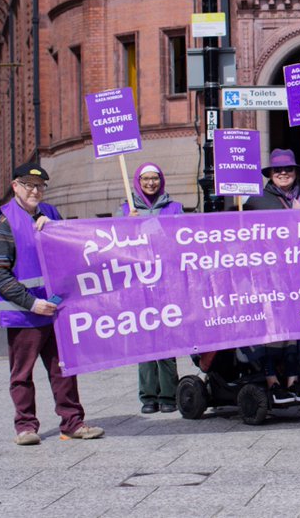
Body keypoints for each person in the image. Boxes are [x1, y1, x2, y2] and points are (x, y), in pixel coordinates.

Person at [0, 163, 104, 445]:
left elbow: (74, 251)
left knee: (64, 369)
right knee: (22, 374)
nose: (35, 191)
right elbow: (0, 275)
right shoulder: (3, 222)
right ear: (15, 186)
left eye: (40, 186)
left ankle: (73, 422)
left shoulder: (51, 213)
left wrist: (56, 229)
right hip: (25, 316)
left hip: (56, 311)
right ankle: (25, 427)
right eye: (29, 185)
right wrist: (32, 303)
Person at [245, 149, 300, 404]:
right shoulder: (257, 201)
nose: (282, 173)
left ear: (297, 173)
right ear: (270, 174)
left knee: (298, 328)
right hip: (269, 275)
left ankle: (294, 379)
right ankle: (272, 382)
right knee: (273, 329)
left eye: (288, 169)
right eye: (277, 170)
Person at [120, 163, 184, 414]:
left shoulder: (174, 208)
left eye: (155, 178)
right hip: (138, 284)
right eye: (145, 179)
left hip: (166, 282)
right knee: (144, 341)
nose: (150, 183)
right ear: (138, 181)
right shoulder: (126, 209)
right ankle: (148, 396)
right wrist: (127, 224)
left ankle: (169, 395)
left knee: (167, 341)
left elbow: (182, 239)